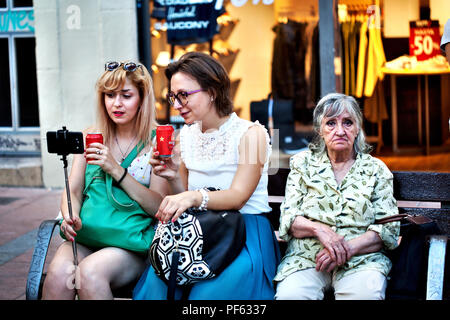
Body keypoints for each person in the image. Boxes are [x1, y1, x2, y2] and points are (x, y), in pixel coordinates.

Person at [133, 51, 280, 300]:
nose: (177, 105)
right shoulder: (186, 136)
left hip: (243, 232)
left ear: (212, 91)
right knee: (159, 289)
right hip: (198, 232)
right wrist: (173, 178)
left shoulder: (252, 134)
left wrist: (191, 197)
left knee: (205, 297)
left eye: (184, 95)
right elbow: (184, 196)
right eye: (172, 97)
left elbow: (238, 197)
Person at [42, 61, 169, 299]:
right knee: (59, 275)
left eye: (126, 95)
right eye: (110, 95)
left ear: (142, 98)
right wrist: (70, 214)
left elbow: (158, 207)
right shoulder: (91, 135)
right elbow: (74, 189)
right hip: (87, 235)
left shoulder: (157, 142)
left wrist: (115, 169)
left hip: (129, 244)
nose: (117, 103)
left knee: (89, 274)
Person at [274, 93, 400, 300]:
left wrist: (346, 249)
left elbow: (388, 229)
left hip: (362, 260)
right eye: (331, 123)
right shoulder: (302, 164)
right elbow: (290, 218)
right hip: (307, 258)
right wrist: (319, 229)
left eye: (348, 122)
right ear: (319, 130)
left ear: (358, 128)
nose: (340, 131)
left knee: (364, 296)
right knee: (291, 296)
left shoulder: (375, 169)